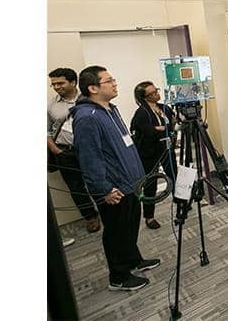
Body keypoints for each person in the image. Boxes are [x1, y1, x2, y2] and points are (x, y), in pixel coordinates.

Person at [73, 66, 160, 291]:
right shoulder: (86, 118)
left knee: (130, 226)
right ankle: (118, 277)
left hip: (130, 183)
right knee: (116, 232)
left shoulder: (110, 109)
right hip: (113, 189)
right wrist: (104, 189)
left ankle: (133, 260)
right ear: (92, 88)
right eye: (108, 81)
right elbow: (89, 158)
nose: (115, 83)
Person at [47, 67, 101, 233]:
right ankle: (90, 217)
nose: (57, 87)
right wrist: (56, 150)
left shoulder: (91, 99)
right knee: (76, 188)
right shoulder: (51, 105)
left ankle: (106, 211)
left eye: (60, 83)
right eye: (53, 84)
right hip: (65, 153)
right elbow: (46, 131)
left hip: (91, 151)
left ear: (73, 82)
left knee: (99, 182)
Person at [130, 81, 178, 230]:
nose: (156, 94)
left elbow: (172, 125)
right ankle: (149, 217)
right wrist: (163, 129)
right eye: (151, 94)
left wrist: (162, 128)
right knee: (151, 184)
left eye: (155, 91)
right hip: (148, 152)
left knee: (174, 175)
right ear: (144, 97)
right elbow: (149, 132)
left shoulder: (164, 107)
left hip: (166, 149)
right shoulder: (141, 113)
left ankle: (181, 203)